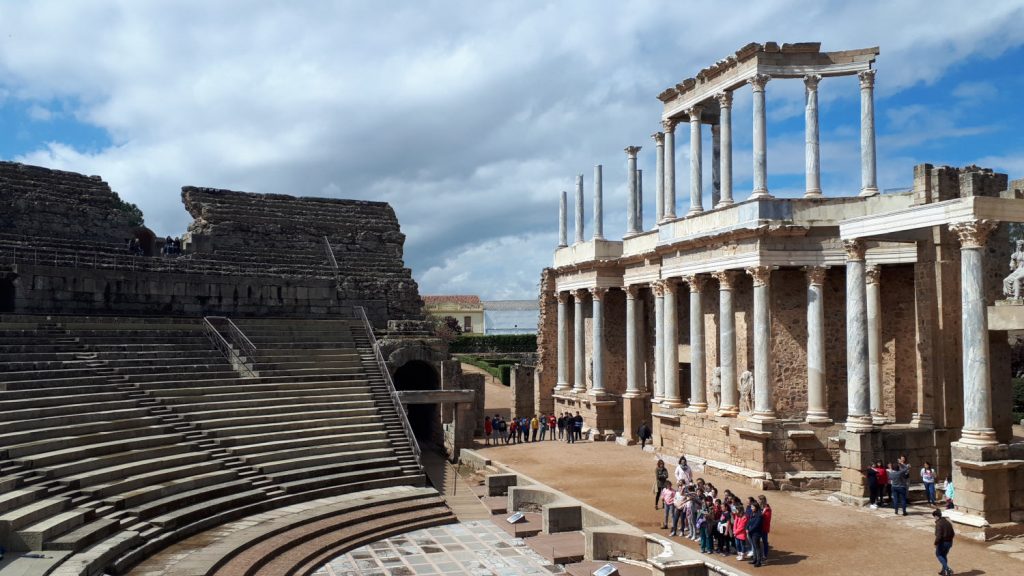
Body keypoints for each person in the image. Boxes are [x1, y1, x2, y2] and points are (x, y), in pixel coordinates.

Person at [933, 509, 955, 576]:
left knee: (938, 554)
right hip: (949, 542)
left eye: (934, 516)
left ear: (936, 516)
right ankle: (943, 571)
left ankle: (947, 569)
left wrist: (936, 543)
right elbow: (953, 533)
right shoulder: (947, 522)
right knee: (944, 555)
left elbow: (939, 536)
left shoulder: (939, 524)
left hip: (943, 543)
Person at [745, 502, 765, 568]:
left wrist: (749, 530)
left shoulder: (759, 515)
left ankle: (758, 562)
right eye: (751, 507)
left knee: (757, 547)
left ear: (756, 507)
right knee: (754, 546)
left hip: (756, 533)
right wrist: (747, 528)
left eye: (753, 507)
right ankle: (755, 559)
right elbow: (749, 522)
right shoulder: (752, 513)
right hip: (751, 532)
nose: (751, 508)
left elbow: (756, 525)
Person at [758, 495, 771, 560]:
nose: (758, 501)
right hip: (758, 527)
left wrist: (761, 514)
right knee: (757, 541)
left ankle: (765, 555)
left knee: (764, 542)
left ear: (763, 501)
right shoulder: (759, 507)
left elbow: (766, 519)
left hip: (764, 528)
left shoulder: (767, 509)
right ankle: (758, 554)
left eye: (759, 500)